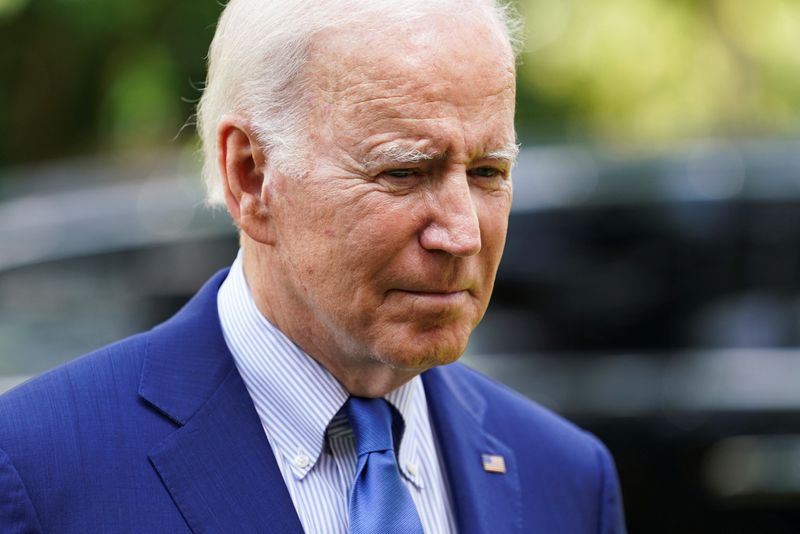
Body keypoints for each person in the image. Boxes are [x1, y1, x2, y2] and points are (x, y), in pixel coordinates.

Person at [0, 0, 626, 532]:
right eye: (403, 172)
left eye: (488, 171)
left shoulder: (566, 480)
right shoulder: (40, 469)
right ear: (251, 174)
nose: (461, 234)